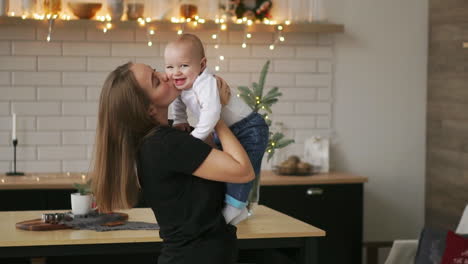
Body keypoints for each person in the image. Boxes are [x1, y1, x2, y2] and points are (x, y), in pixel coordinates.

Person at [91, 62, 255, 264]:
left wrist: (205, 104)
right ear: (149, 109)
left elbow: (215, 157)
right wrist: (215, 111)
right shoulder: (165, 143)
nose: (166, 75)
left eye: (155, 70)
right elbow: (243, 171)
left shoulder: (165, 136)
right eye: (156, 81)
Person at [165, 33, 269, 225]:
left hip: (249, 128)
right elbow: (178, 102)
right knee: (226, 168)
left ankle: (235, 208)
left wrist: (195, 138)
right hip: (226, 130)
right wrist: (180, 120)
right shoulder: (183, 84)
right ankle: (240, 209)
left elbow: (212, 113)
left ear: (202, 65)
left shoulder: (206, 83)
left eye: (184, 65)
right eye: (170, 67)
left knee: (240, 171)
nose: (176, 72)